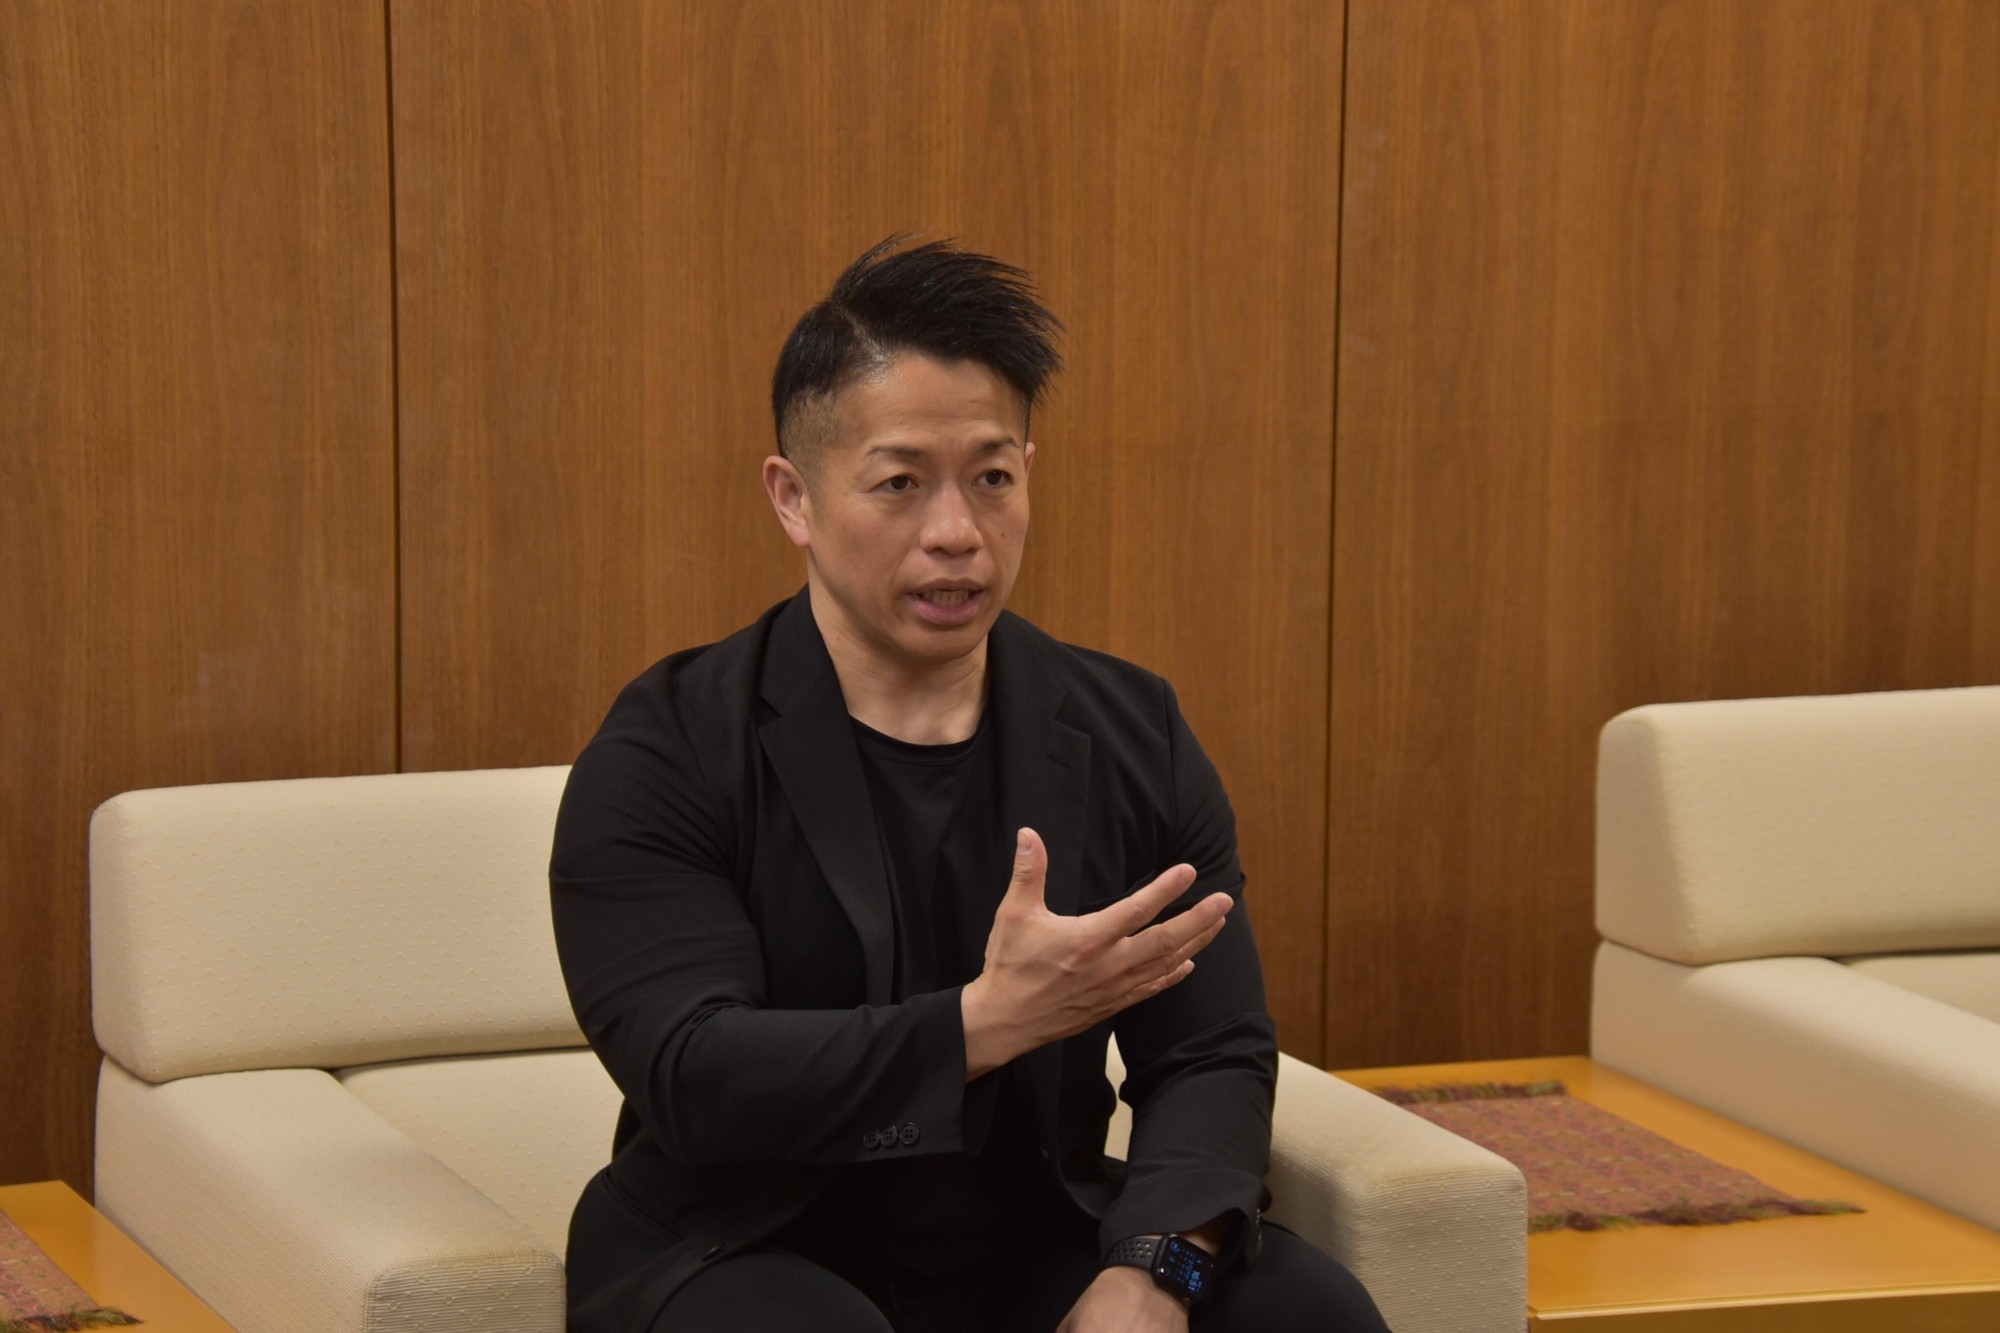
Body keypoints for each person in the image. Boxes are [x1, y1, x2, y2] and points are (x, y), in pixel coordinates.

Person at [551, 238, 1391, 1333]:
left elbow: (1209, 1051)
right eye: (899, 483)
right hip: (740, 1241)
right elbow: (694, 1072)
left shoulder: (1130, 730)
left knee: (1312, 1314)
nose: (956, 533)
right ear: (794, 498)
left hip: (1033, 1235)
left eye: (991, 478)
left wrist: (1153, 1268)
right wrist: (980, 1025)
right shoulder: (668, 746)